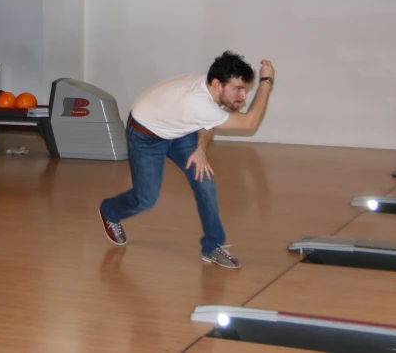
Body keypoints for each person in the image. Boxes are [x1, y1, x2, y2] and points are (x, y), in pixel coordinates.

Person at [98, 51, 275, 269]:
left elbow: (208, 122)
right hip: (146, 134)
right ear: (218, 85)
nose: (242, 96)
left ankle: (212, 246)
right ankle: (110, 210)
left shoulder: (210, 87)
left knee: (204, 182)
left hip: (178, 129)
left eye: (244, 89)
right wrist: (266, 81)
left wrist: (200, 149)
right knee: (146, 199)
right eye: (238, 89)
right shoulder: (197, 102)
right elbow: (249, 122)